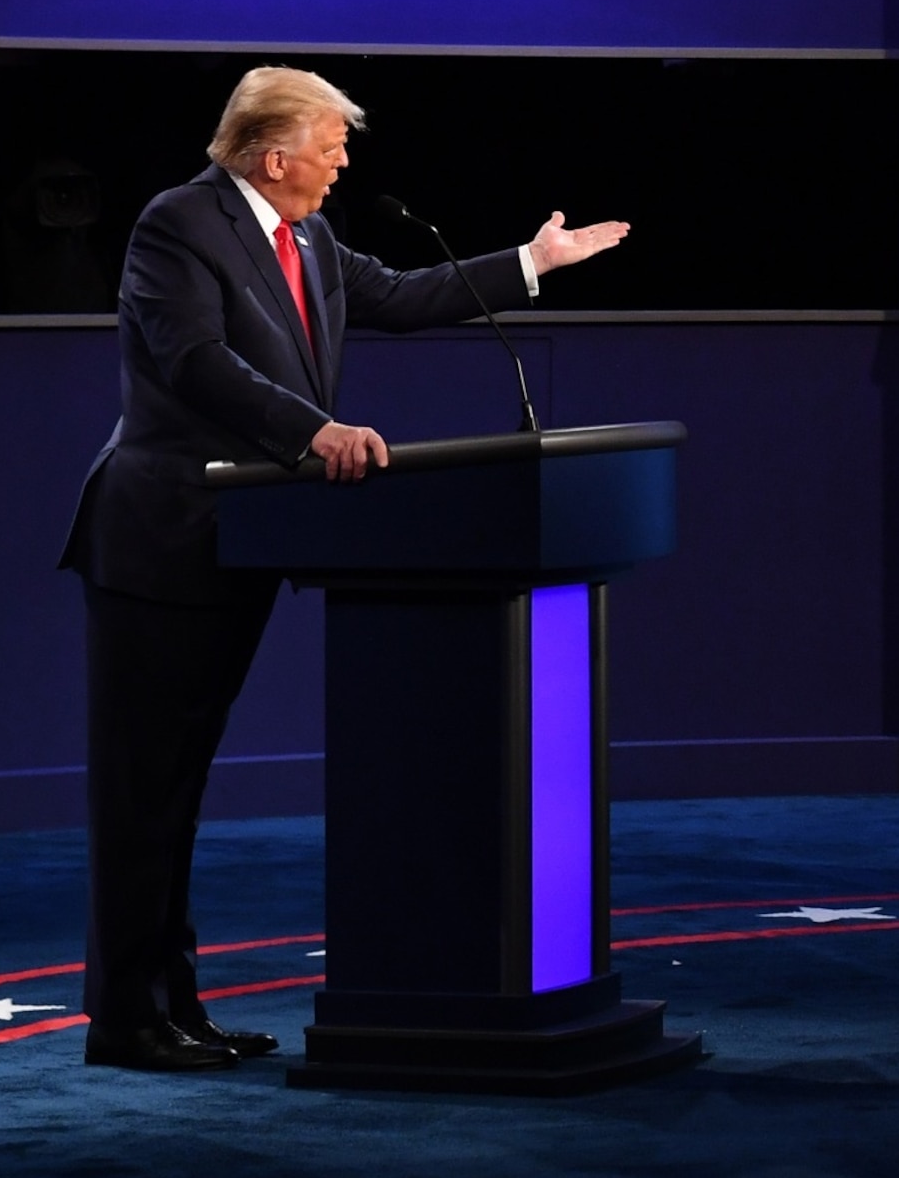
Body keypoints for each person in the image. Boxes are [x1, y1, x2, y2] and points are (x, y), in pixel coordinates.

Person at [64, 66, 629, 1073]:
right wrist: (313, 429)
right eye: (332, 142)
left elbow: (405, 295)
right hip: (159, 539)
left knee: (180, 789)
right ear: (272, 153)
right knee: (142, 793)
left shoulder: (312, 238)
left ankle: (175, 1005)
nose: (343, 160)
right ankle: (125, 1018)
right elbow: (195, 359)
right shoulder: (178, 223)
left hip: (239, 541)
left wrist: (531, 263)